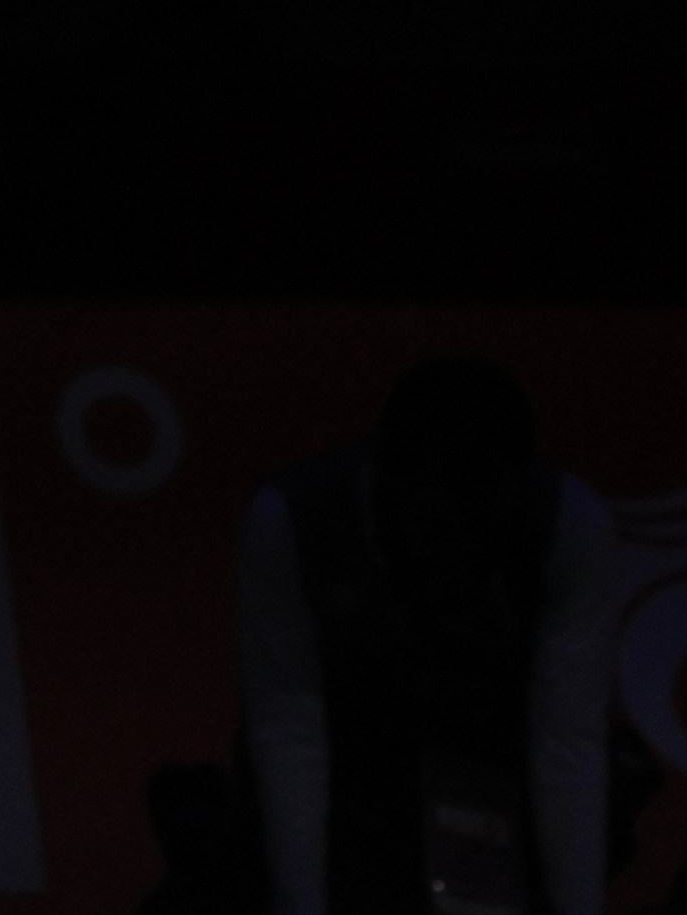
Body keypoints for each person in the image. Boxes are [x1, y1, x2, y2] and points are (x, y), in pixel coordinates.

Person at [239, 359, 616, 915]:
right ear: (388, 478)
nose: (454, 550)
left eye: (481, 519)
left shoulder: (570, 525)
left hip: (492, 781)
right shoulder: (291, 521)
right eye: (436, 518)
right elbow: (290, 729)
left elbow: (566, 739)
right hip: (345, 778)